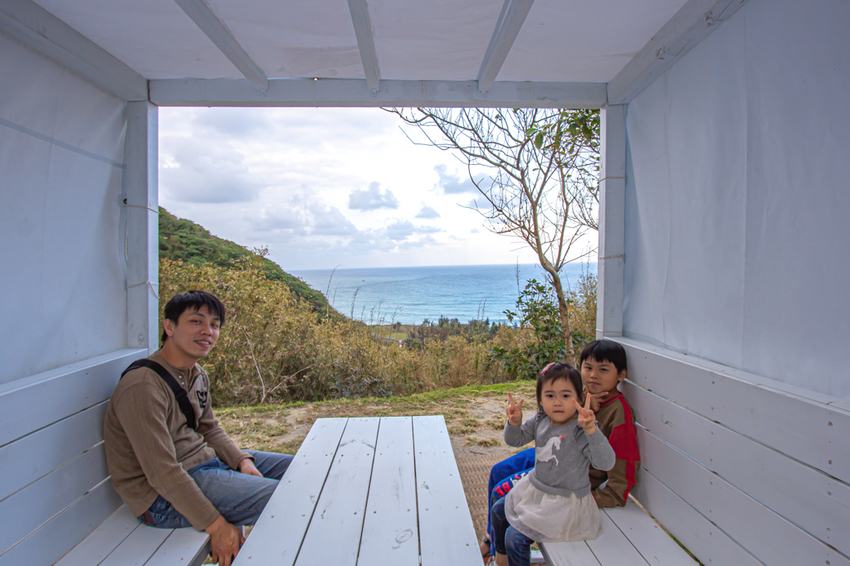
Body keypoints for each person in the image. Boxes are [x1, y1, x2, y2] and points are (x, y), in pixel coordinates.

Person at [103, 290, 293, 566]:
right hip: (161, 498)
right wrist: (216, 525)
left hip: (205, 464)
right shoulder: (143, 386)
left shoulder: (196, 374)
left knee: (304, 471)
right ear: (169, 327)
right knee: (291, 501)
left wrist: (241, 461)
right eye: (196, 321)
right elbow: (161, 471)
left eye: (214, 325)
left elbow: (209, 428)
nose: (208, 331)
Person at [481, 339, 640, 560]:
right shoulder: (577, 393)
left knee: (501, 490)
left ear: (620, 374)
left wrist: (598, 497)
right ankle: (492, 540)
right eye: (588, 368)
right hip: (551, 449)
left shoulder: (616, 412)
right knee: (499, 471)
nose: (593, 375)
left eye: (603, 370)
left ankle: (503, 543)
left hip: (571, 469)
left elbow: (617, 463)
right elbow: (543, 415)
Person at [490, 363, 616, 566]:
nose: (557, 402)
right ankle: (501, 561)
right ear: (540, 399)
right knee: (498, 510)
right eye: (549, 396)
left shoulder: (580, 429)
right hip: (536, 490)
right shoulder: (542, 419)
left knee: (515, 538)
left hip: (564, 502)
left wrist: (592, 430)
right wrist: (514, 423)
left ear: (581, 398)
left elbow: (606, 462)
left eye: (566, 396)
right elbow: (515, 440)